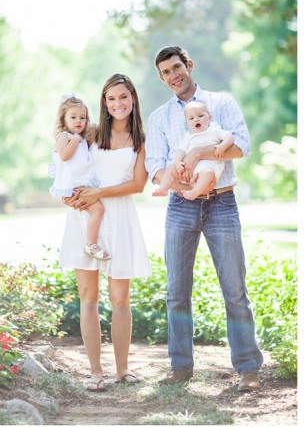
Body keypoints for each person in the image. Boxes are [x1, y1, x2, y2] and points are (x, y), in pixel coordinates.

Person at [146, 46, 263, 391]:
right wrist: (172, 181)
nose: (173, 75)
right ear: (162, 78)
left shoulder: (221, 104)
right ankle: (180, 368)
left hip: (222, 203)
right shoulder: (158, 118)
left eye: (176, 67)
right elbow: (155, 165)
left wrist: (200, 151)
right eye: (165, 72)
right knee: (177, 291)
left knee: (234, 289)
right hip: (180, 206)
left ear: (189, 65)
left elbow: (241, 145)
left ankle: (248, 368)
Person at [61, 74, 151, 392]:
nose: (118, 104)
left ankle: (123, 369)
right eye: (111, 99)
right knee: (88, 298)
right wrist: (67, 193)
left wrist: (99, 193)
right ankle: (95, 371)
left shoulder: (141, 139)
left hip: (121, 218)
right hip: (86, 218)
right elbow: (64, 163)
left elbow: (138, 185)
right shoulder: (92, 133)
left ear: (133, 99)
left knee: (121, 299)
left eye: (123, 97)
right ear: (104, 102)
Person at [50, 94, 110, 260]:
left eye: (82, 117)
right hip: (73, 186)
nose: (79, 121)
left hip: (81, 184)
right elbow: (64, 156)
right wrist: (75, 141)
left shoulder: (81, 138)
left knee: (95, 211)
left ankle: (90, 243)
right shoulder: (64, 137)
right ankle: (91, 245)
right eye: (73, 117)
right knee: (98, 210)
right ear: (63, 119)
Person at [151, 101, 233, 200]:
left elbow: (229, 137)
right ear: (187, 123)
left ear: (209, 117)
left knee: (208, 174)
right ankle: (164, 188)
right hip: (189, 169)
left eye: (200, 116)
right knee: (171, 169)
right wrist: (177, 163)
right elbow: (180, 150)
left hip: (209, 166)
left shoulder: (214, 131)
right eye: (191, 118)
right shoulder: (189, 136)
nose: (196, 120)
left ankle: (195, 192)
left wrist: (223, 146)